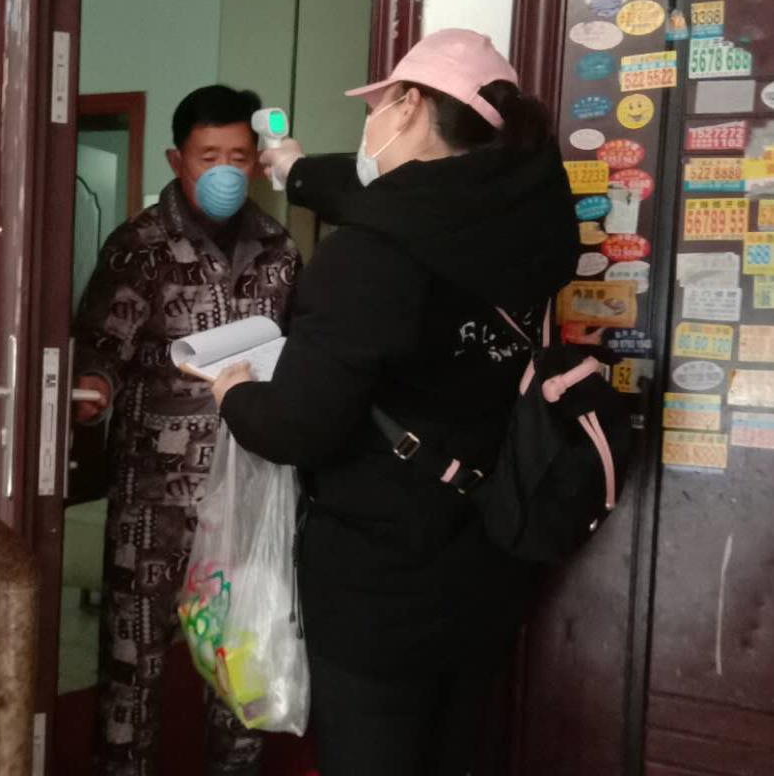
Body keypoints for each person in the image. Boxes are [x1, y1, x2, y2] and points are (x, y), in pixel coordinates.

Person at [211, 30, 579, 776]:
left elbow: (297, 428)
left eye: (374, 110)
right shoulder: (529, 229)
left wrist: (235, 391)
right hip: (486, 562)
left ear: (408, 105)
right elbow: (405, 200)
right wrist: (297, 170)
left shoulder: (370, 254)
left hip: (380, 586)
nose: (369, 127)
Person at [72, 84, 302, 776]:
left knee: (240, 661)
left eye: (239, 156)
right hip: (153, 499)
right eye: (209, 156)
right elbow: (97, 348)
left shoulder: (279, 247)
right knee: (132, 666)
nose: (225, 170)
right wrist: (93, 390)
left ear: (257, 161)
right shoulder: (139, 246)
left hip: (248, 490)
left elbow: (302, 347)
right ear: (177, 159)